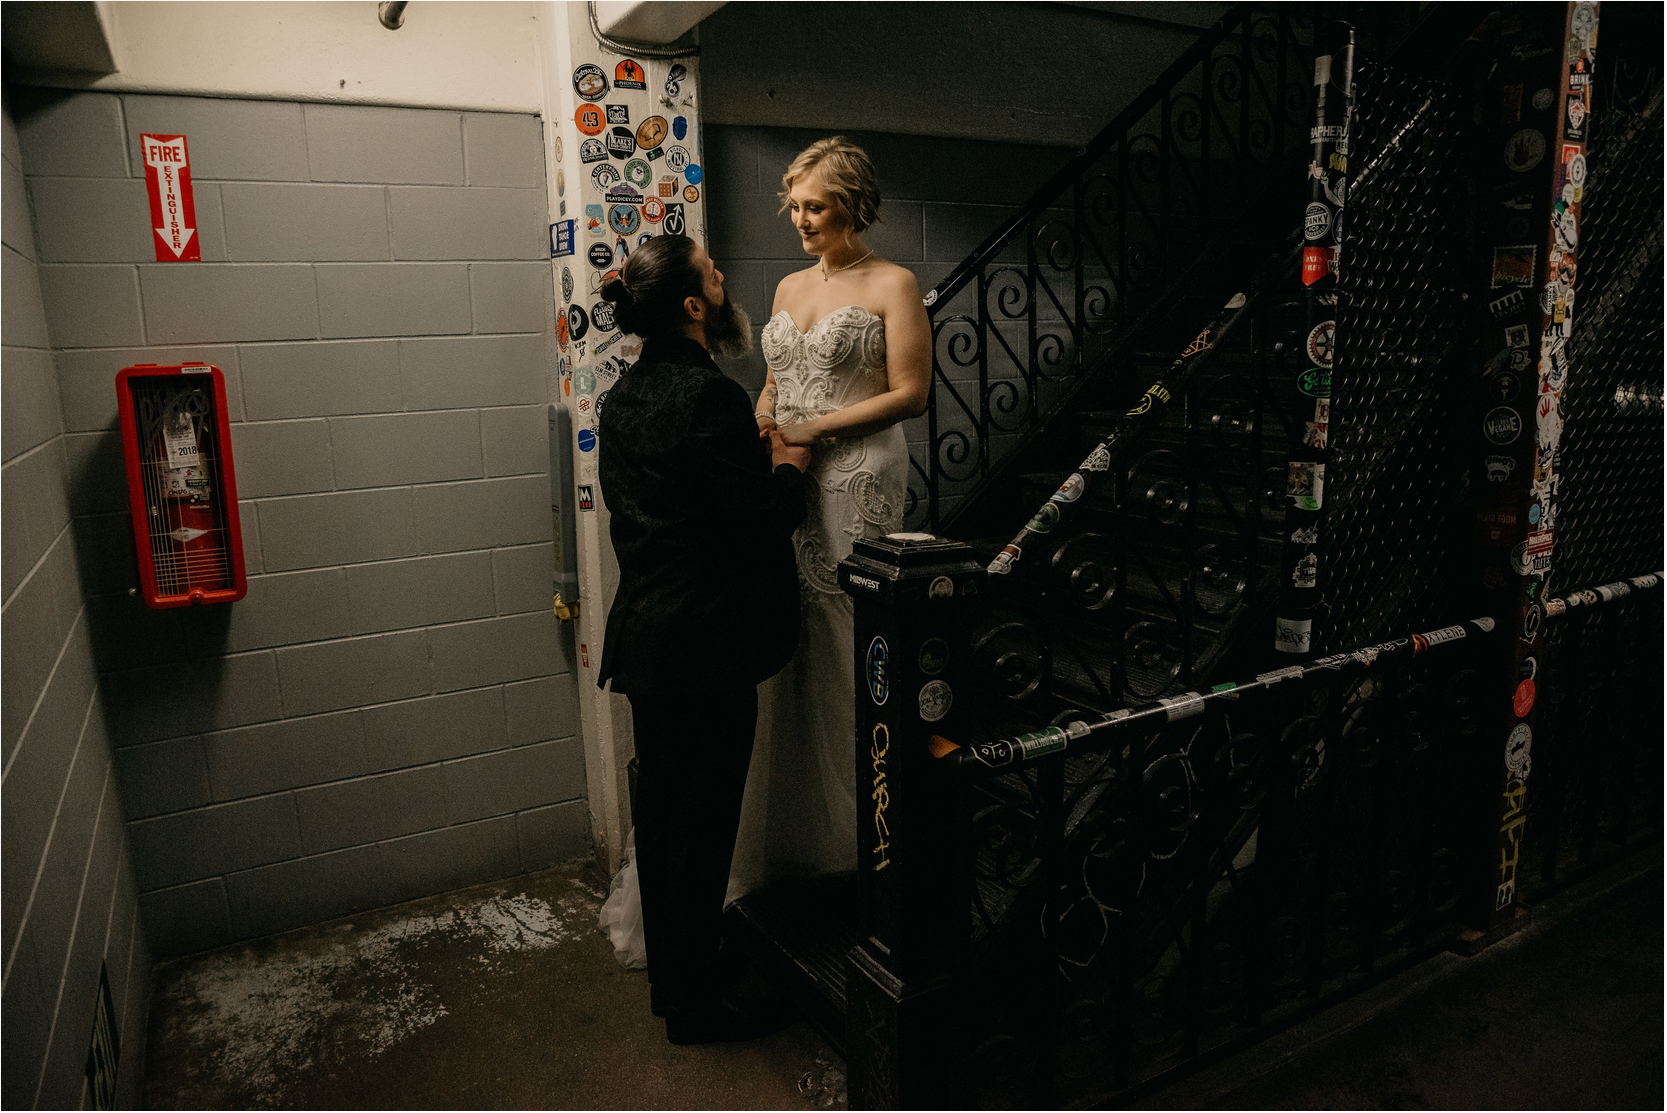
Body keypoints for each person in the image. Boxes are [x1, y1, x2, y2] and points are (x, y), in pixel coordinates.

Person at [595, 234, 811, 1044]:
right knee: (703, 823)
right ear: (692, 306)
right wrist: (788, 463)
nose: (724, 283)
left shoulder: (624, 397)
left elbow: (676, 508)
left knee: (669, 823)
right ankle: (693, 1004)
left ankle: (678, 975)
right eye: (714, 276)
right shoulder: (710, 396)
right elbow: (759, 524)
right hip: (705, 648)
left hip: (650, 641)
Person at [728, 137, 932, 899]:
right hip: (794, 470)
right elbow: (777, 380)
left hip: (858, 475)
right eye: (795, 206)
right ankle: (795, 824)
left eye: (816, 205)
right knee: (797, 625)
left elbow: (910, 393)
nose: (801, 219)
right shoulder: (785, 287)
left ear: (853, 204)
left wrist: (820, 429)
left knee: (851, 623)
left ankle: (868, 826)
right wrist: (765, 416)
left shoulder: (893, 282)